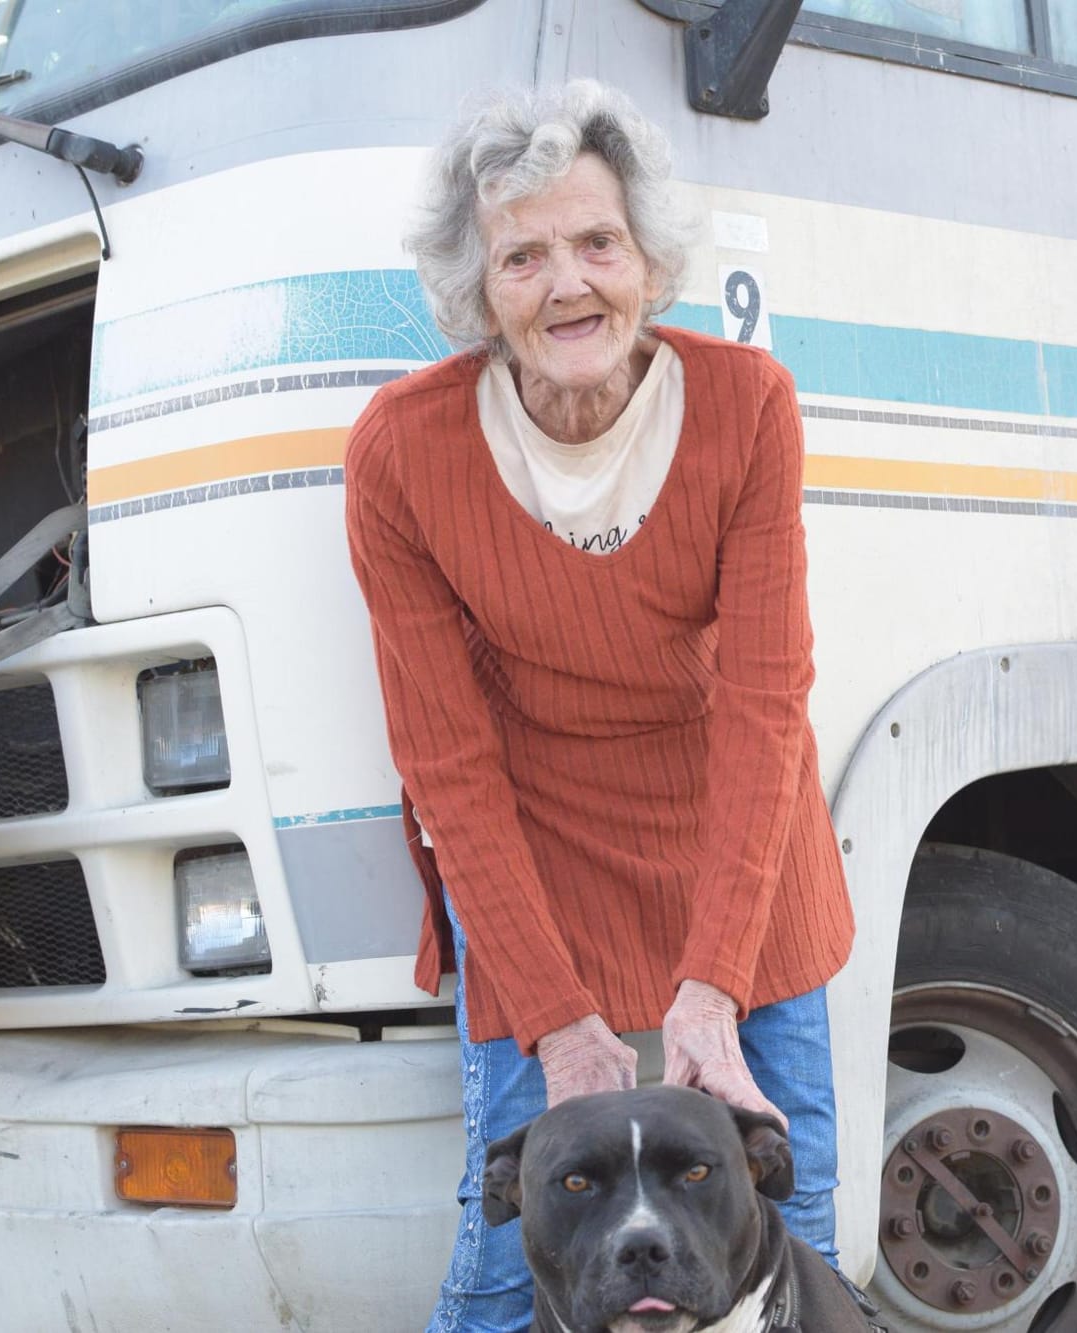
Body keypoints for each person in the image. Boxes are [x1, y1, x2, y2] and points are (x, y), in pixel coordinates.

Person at [343, 80, 856, 1333]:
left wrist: (713, 987)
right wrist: (558, 1019)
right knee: (500, 1257)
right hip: (536, 867)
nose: (566, 284)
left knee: (792, 1224)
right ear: (480, 287)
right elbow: (445, 765)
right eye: (522, 254)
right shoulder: (401, 454)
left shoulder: (746, 407)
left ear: (644, 259)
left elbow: (762, 701)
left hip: (738, 850)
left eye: (595, 243)